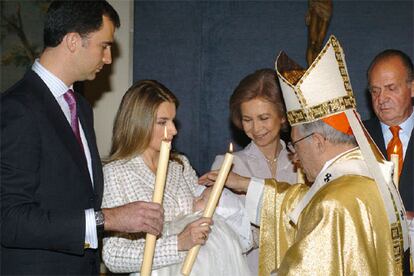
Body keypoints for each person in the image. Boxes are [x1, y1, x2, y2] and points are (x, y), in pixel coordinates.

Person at [200, 35, 408, 275]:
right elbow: (303, 201)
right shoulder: (366, 176)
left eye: (296, 145)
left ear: (318, 141)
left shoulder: (334, 203)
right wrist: (245, 184)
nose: (295, 157)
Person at [1, 2, 163, 275]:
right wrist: (108, 219)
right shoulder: (17, 109)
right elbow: (9, 219)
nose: (109, 58)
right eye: (104, 46)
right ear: (74, 41)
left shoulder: (80, 106)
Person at [102, 80, 251, 276]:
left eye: (173, 120)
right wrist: (178, 244)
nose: (173, 130)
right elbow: (114, 256)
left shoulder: (179, 165)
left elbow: (199, 211)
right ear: (139, 123)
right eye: (163, 122)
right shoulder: (116, 173)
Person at [210, 68, 297, 274]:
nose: (256, 128)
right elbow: (218, 237)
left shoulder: (303, 162)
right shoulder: (228, 166)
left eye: (264, 118)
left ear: (282, 116)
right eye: (248, 120)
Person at [364, 49, 414, 274]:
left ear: (412, 88)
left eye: (391, 88)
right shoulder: (355, 137)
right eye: (375, 91)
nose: (381, 99)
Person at [305, 0, 333, 66]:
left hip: (326, 9)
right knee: (312, 41)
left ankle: (316, 67)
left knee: (319, 44)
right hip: (315, 6)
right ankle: (310, 68)